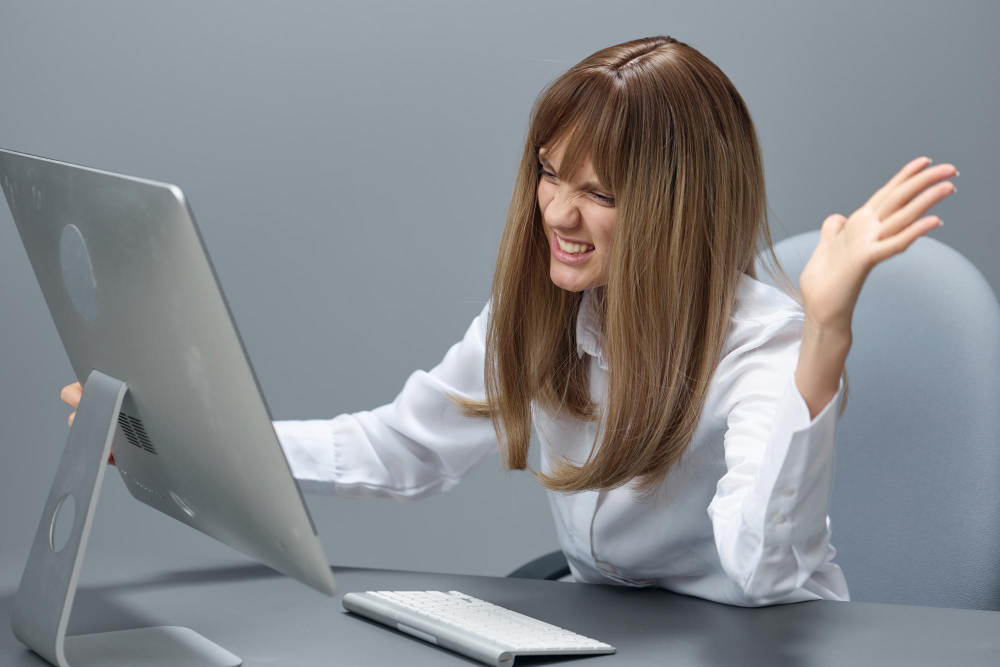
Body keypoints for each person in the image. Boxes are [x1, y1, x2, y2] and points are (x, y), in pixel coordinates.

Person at [60, 35, 957, 607]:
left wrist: (825, 336)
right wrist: (181, 434)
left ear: (679, 210)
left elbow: (763, 572)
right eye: (550, 172)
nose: (558, 214)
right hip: (610, 625)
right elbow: (395, 449)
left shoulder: (761, 347)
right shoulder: (546, 314)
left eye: (599, 192)